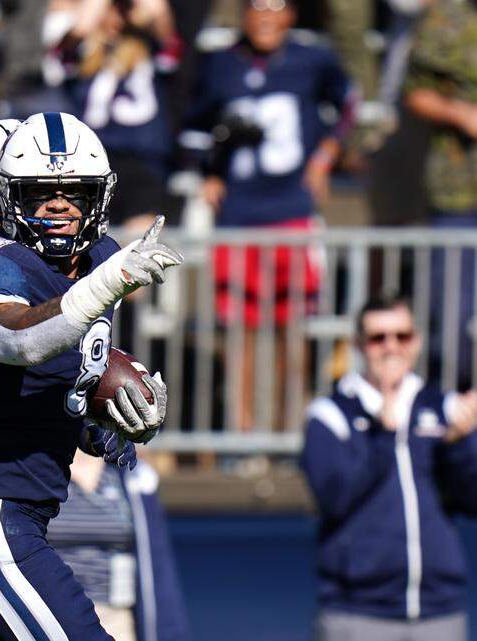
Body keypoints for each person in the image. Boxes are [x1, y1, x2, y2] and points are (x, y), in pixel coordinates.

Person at [0, 112, 183, 641]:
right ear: (8, 199)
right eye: (41, 194)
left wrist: (112, 420)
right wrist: (109, 284)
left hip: (22, 513)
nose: (59, 206)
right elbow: (15, 341)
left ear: (98, 200)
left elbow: (64, 379)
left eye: (74, 194)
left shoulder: (99, 261)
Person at [184, 0, 356, 430]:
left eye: (275, 5)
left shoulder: (312, 59)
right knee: (239, 333)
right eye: (257, 6)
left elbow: (350, 103)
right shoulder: (221, 64)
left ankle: (288, 432)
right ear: (243, 14)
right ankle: (242, 436)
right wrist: (208, 172)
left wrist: (326, 155)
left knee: (291, 328)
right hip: (238, 216)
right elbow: (192, 126)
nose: (265, 15)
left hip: (291, 211)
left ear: (291, 14)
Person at [300, 293, 477, 641]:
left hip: (438, 612)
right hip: (357, 612)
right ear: (359, 344)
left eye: (402, 336)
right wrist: (382, 435)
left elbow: (471, 499)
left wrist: (459, 445)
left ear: (417, 342)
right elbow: (334, 498)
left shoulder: (441, 407)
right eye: (379, 338)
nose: (391, 347)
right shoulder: (331, 415)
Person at [47, 0, 182, 226]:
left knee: (136, 247)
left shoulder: (150, 48)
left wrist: (136, 13)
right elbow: (73, 37)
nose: (117, 17)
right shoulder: (82, 55)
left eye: (123, 10)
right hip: (93, 164)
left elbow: (161, 18)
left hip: (143, 163)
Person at [404, 0, 477, 390]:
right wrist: (461, 114)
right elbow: (416, 93)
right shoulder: (446, 17)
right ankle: (451, 412)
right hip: (459, 192)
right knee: (451, 320)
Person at [48, 450, 190, 641]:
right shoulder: (43, 473)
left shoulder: (131, 474)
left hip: (116, 616)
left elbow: (157, 563)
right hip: (54, 614)